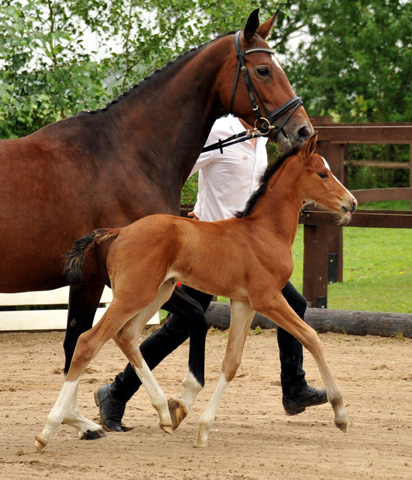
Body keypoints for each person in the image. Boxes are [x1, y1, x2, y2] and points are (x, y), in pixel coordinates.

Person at [94, 115, 327, 432]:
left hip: (247, 252)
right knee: (181, 326)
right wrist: (188, 219)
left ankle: (294, 389)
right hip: (206, 250)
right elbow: (180, 168)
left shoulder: (261, 140)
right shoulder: (220, 130)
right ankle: (116, 393)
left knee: (294, 304)